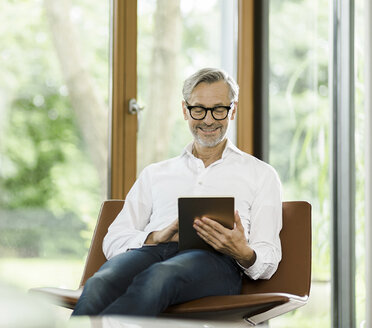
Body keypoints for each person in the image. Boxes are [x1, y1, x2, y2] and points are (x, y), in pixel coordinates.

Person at [72, 67, 282, 317]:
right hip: (152, 253)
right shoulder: (155, 173)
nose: (208, 120)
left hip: (218, 264)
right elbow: (114, 238)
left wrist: (242, 251)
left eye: (218, 109)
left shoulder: (261, 174)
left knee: (159, 277)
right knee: (100, 283)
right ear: (185, 110)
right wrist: (155, 237)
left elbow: (268, 257)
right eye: (198, 109)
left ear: (232, 110)